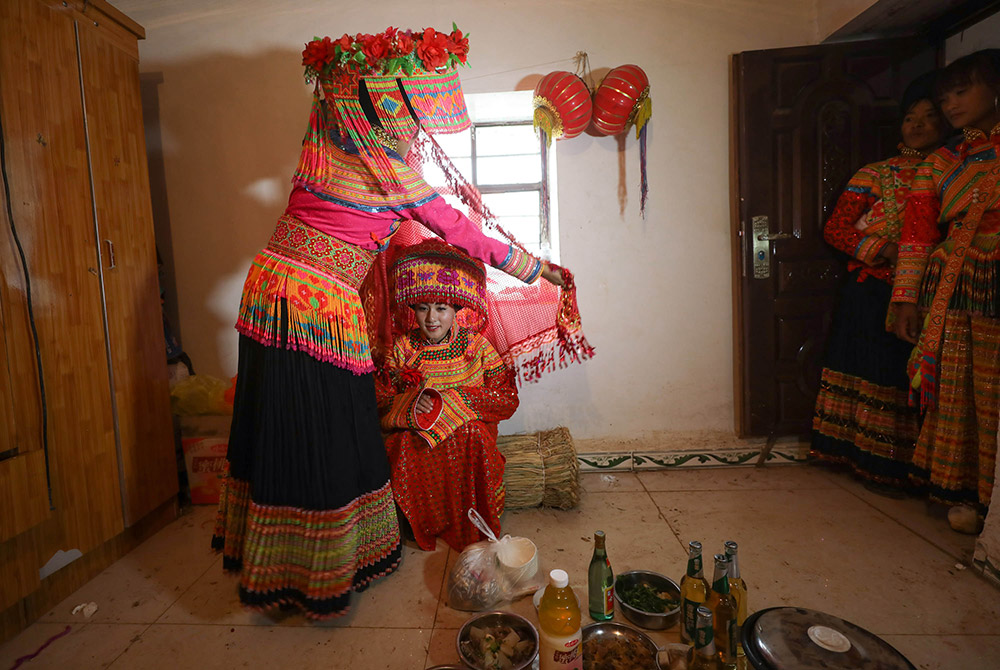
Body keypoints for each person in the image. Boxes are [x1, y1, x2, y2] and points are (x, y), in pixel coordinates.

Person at [211, 26, 562, 619]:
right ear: (388, 111)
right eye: (410, 115)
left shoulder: (321, 143)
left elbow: (334, 98)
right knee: (323, 434)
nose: (416, 129)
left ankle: (279, 562)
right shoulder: (394, 173)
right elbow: (464, 232)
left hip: (268, 293)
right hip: (315, 308)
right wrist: (537, 270)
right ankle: (315, 577)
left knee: (282, 424)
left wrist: (350, 76)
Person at [811, 73, 949, 493]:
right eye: (911, 117)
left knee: (904, 373)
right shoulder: (874, 174)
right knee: (869, 366)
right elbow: (837, 229)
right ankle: (853, 454)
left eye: (929, 117)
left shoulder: (956, 174)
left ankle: (904, 466)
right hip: (871, 289)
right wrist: (884, 251)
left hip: (932, 290)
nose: (918, 125)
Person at [891, 50, 1000, 531]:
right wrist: (905, 298)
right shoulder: (943, 162)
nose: (952, 104)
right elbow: (916, 236)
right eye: (945, 96)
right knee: (961, 388)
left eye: (962, 91)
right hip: (955, 287)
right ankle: (968, 494)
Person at [376, 240, 518, 551]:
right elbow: (381, 399)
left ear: (456, 309)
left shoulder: (477, 346)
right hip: (419, 434)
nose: (431, 319)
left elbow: (507, 398)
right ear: (412, 309)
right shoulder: (402, 348)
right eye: (423, 308)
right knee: (400, 444)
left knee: (473, 435)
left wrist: (455, 402)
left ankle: (469, 522)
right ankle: (422, 523)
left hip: (467, 432)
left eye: (441, 308)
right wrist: (410, 405)